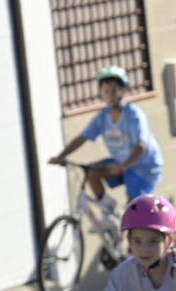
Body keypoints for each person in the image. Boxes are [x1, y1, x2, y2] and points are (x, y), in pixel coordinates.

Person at [51, 66, 164, 210]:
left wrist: (124, 166)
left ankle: (131, 226)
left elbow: (141, 145)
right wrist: (60, 156)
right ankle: (109, 213)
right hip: (121, 163)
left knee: (132, 210)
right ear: (101, 94)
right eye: (106, 92)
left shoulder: (134, 115)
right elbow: (81, 138)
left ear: (123, 91)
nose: (110, 95)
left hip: (144, 167)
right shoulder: (103, 117)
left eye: (115, 91)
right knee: (93, 172)